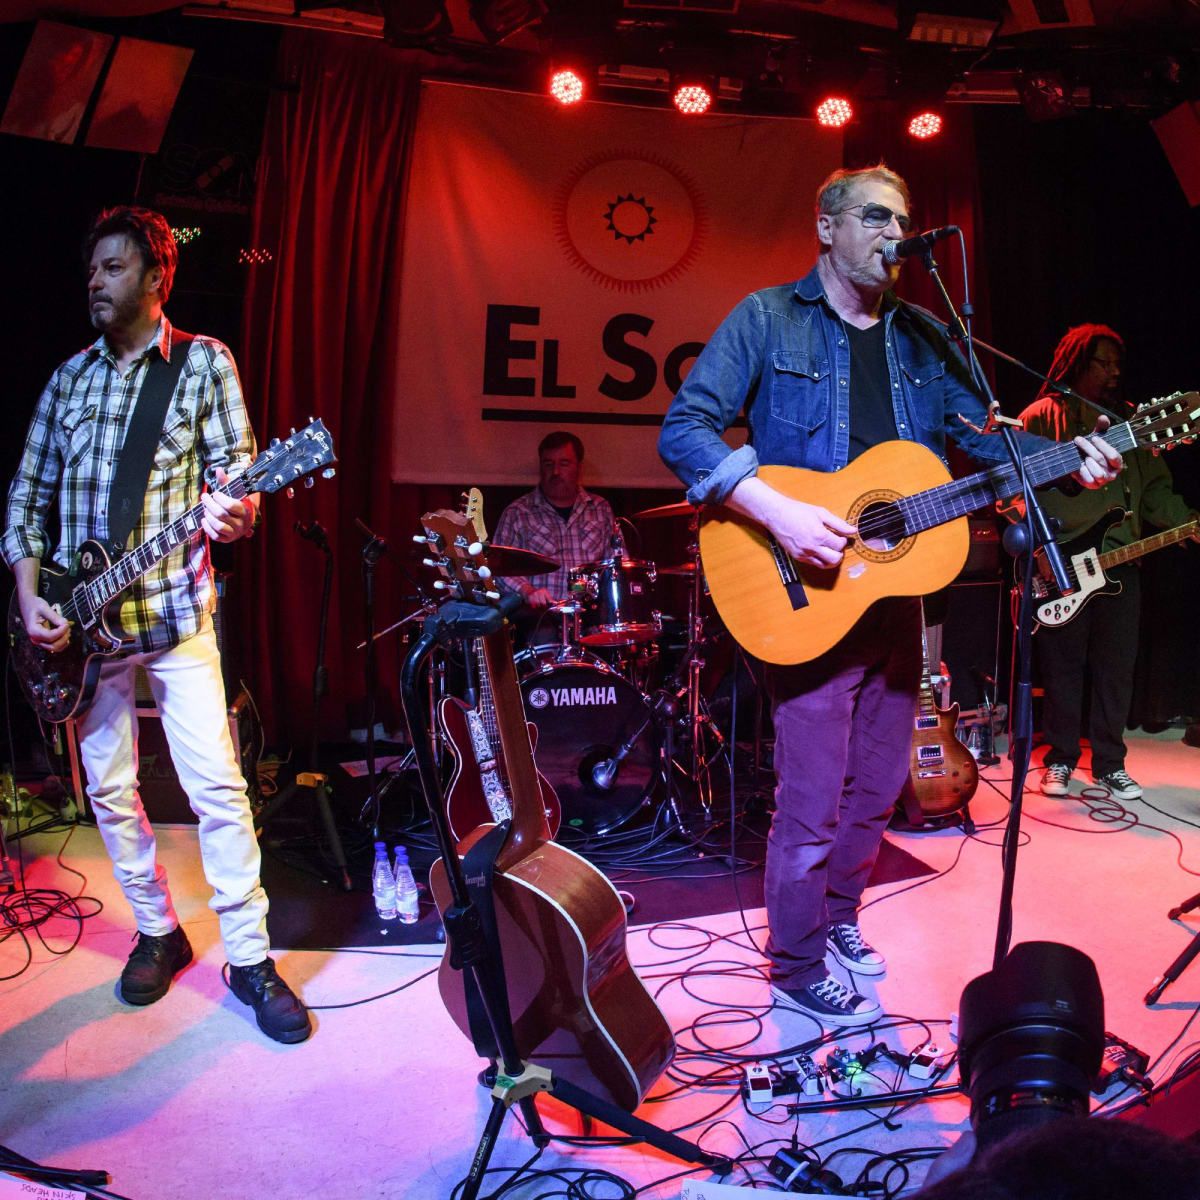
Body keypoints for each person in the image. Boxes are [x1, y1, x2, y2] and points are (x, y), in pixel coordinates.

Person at [658, 164, 1122, 1028]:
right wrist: (777, 511)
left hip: (895, 598)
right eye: (875, 216)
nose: (894, 233)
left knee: (877, 786)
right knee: (809, 798)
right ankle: (794, 963)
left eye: (904, 220)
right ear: (826, 227)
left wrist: (1075, 454)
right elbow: (683, 429)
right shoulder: (766, 318)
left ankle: (836, 921)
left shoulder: (921, 335)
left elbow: (981, 441)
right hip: (805, 593)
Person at [2, 207, 310, 1044]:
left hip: (175, 617)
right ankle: (157, 931)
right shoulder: (68, 379)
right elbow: (25, 501)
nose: (93, 282)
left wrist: (236, 511)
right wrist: (32, 595)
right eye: (91, 269)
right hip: (78, 631)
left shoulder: (205, 364)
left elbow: (234, 483)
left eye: (110, 267)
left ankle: (249, 957)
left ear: (155, 276)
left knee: (216, 788)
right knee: (108, 791)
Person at [1020, 325, 1199, 803]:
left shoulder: (1133, 421)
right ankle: (1058, 759)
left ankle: (1110, 764)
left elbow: (1156, 488)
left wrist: (1185, 521)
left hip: (1121, 561)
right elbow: (1013, 495)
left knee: (1116, 668)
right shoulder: (1041, 418)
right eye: (1103, 363)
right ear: (1077, 363)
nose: (1114, 372)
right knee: (1063, 669)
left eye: (1118, 363)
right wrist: (1041, 550)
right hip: (1061, 565)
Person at [492, 430, 616, 633]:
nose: (556, 472)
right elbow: (498, 569)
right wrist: (528, 591)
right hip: (539, 619)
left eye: (564, 464)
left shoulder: (600, 509)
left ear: (579, 468)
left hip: (589, 616)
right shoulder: (518, 512)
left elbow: (617, 565)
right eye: (548, 464)